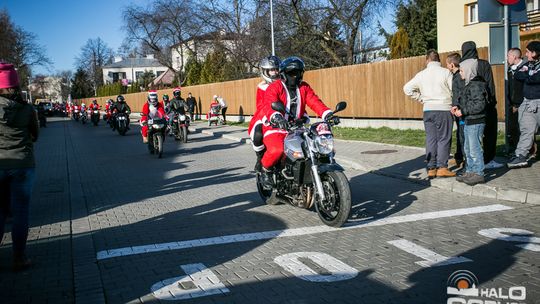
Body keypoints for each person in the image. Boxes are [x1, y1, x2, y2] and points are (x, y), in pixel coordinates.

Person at [259, 56, 337, 189]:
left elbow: (315, 101)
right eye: (291, 73)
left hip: (297, 127)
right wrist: (277, 117)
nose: (294, 76)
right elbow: (269, 105)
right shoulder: (275, 87)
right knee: (277, 149)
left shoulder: (304, 87)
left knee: (316, 148)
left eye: (298, 73)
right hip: (276, 127)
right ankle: (265, 171)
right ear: (284, 74)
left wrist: (327, 114)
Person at [0, 63, 39, 271]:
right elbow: (35, 134)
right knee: (20, 211)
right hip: (23, 164)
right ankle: (19, 257)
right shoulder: (26, 108)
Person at [403, 50, 455, 178]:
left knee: (431, 139)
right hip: (443, 108)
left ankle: (431, 168)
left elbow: (407, 88)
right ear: (439, 60)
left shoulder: (421, 74)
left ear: (427, 60)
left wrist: (420, 98)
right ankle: (442, 167)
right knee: (444, 138)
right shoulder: (446, 72)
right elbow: (454, 89)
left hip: (428, 109)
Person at [461, 41, 504, 169]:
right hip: (486, 106)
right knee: (488, 134)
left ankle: (470, 164)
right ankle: (487, 160)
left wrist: (461, 107)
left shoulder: (463, 66)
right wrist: (491, 103)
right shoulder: (483, 64)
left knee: (468, 140)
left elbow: (459, 87)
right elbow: (490, 85)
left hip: (467, 109)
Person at [453, 59, 488, 185]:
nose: (460, 73)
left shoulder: (476, 85)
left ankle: (478, 173)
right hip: (469, 120)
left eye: (462, 71)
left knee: (474, 149)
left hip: (476, 121)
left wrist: (463, 111)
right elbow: (467, 101)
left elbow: (479, 105)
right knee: (468, 148)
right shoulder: (469, 84)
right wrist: (459, 108)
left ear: (469, 71)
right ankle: (470, 171)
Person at [508, 41, 540, 168]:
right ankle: (521, 156)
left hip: (538, 102)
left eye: (527, 52)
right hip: (528, 103)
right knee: (527, 130)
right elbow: (518, 74)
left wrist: (529, 77)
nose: (525, 55)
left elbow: (537, 79)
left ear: (535, 53)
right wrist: (530, 76)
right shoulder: (528, 65)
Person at [248, 55, 281, 170]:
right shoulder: (262, 87)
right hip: (264, 116)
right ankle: (260, 158)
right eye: (272, 70)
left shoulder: (284, 84)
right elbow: (261, 106)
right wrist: (268, 117)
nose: (275, 72)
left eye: (276, 69)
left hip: (284, 115)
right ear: (265, 71)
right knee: (258, 133)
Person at [506, 48, 530, 156]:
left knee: (525, 128)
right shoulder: (511, 69)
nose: (507, 58)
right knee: (514, 128)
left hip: (524, 102)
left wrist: (518, 102)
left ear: (514, 57)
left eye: (508, 56)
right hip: (513, 103)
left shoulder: (525, 68)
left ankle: (529, 152)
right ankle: (515, 150)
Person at [446, 52, 465, 171]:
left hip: (460, 111)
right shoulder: (455, 76)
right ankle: (458, 156)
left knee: (462, 135)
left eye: (447, 64)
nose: (446, 66)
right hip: (457, 110)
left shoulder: (458, 77)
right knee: (459, 133)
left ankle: (465, 160)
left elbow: (459, 94)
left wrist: (456, 106)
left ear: (452, 65)